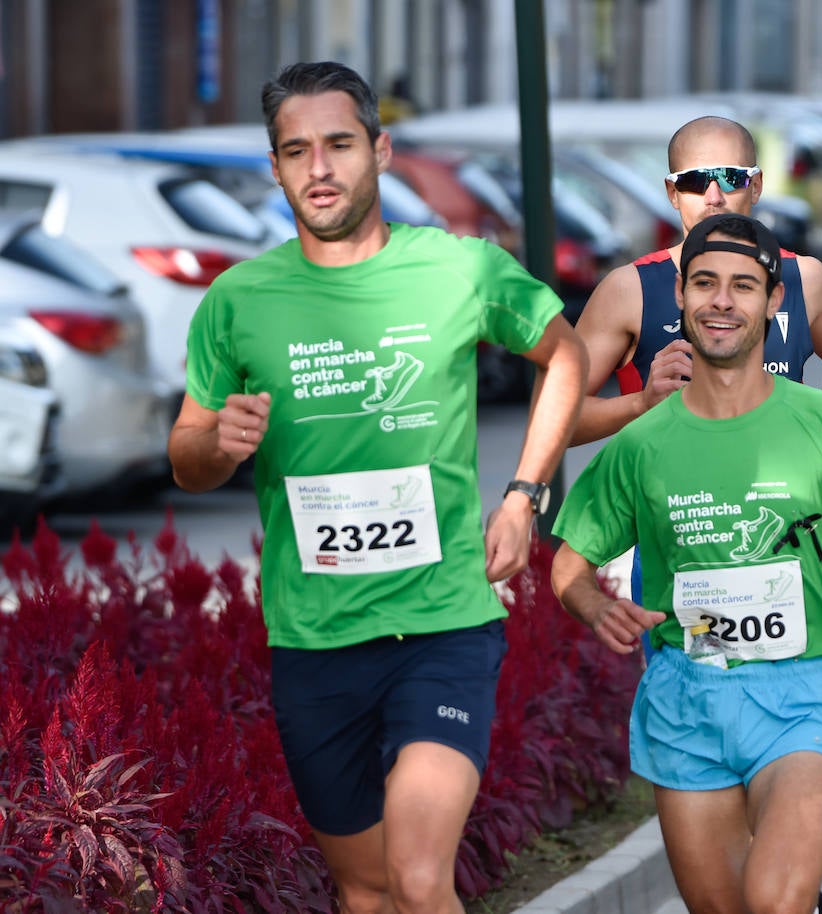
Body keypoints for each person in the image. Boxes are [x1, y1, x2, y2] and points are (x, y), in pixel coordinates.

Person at [167, 61, 588, 914]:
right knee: (364, 891)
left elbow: (567, 355)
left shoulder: (460, 269)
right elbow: (186, 453)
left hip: (442, 627)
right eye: (296, 151)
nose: (318, 169)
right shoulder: (237, 300)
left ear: (381, 150)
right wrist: (219, 443)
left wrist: (524, 495)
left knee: (420, 875)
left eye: (338, 145)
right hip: (314, 642)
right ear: (275, 169)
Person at [550, 214, 822, 914]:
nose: (723, 301)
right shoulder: (642, 443)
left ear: (774, 302)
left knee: (776, 902)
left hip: (796, 699)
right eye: (706, 285)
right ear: (681, 301)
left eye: (743, 286)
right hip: (685, 699)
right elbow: (569, 565)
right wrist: (595, 605)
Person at [569, 115, 822, 448]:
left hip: (779, 496)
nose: (714, 196)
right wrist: (640, 404)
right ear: (673, 192)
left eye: (729, 178)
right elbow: (558, 417)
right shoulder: (629, 289)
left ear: (755, 186)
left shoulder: (804, 278)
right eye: (696, 182)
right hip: (673, 496)